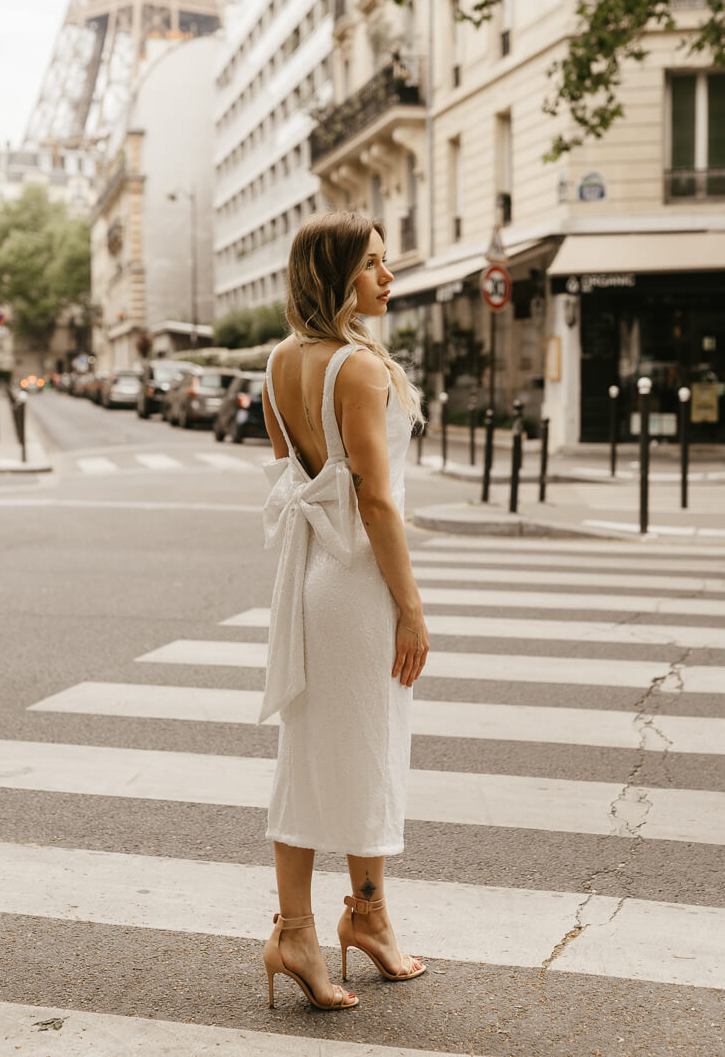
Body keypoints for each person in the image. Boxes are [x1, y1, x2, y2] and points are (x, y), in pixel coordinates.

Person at [260, 211, 429, 1012]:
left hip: (308, 578)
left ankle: (301, 928)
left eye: (384, 262)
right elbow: (374, 499)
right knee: (369, 750)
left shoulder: (276, 363)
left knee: (307, 755)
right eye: (369, 264)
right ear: (333, 276)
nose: (385, 277)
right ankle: (363, 915)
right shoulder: (358, 367)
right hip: (358, 583)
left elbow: (292, 474)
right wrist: (411, 606)